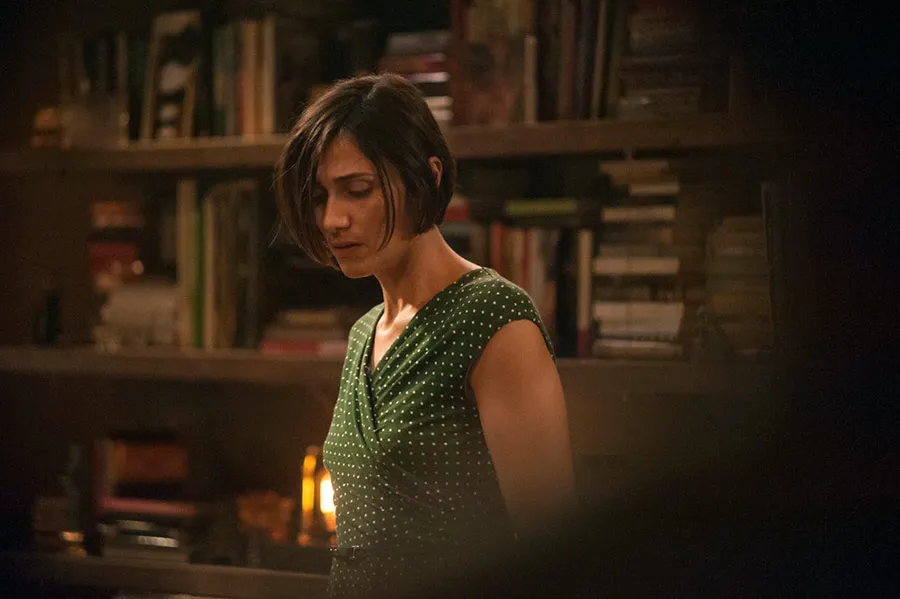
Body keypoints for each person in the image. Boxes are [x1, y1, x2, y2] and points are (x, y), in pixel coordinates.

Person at [275, 73, 578, 598]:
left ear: (426, 178)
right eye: (321, 196)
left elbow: (554, 546)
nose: (332, 219)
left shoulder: (492, 318)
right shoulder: (365, 332)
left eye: (358, 190)